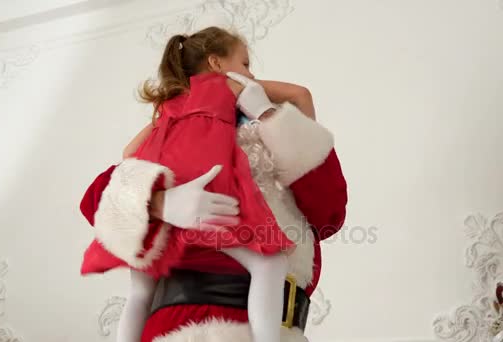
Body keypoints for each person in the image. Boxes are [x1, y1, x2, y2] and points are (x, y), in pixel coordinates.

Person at [79, 26, 348, 342]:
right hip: (183, 324)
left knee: (139, 290)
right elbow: (96, 199)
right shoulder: (175, 132)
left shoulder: (270, 136)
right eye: (246, 64)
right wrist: (160, 201)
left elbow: (329, 216)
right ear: (217, 63)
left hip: (276, 325)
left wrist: (267, 113)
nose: (251, 73)